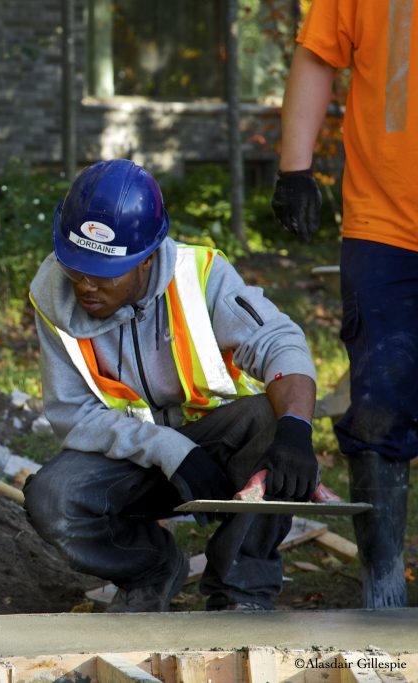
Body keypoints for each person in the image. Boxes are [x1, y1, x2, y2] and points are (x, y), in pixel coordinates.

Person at [23, 159, 319, 612]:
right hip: (129, 458)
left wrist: (296, 431)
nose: (85, 286)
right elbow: (72, 413)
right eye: (75, 267)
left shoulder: (200, 276)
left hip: (221, 446)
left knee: (270, 421)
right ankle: (152, 570)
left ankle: (240, 595)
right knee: (52, 498)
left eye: (104, 272)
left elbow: (280, 342)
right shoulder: (52, 294)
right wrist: (170, 450)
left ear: (146, 258)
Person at [271, 0, 417, 610]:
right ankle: (384, 589)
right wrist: (295, 169)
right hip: (383, 225)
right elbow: (316, 53)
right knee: (380, 407)